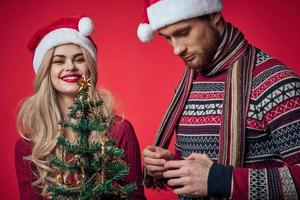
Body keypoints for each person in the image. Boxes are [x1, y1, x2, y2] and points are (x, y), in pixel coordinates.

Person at [137, 0, 300, 199]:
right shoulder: (187, 85)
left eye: (183, 33)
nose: (176, 49)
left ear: (213, 16)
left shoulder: (275, 83)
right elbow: (198, 178)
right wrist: (170, 165)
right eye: (167, 38)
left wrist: (219, 180)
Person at [15, 15, 146, 200]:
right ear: (45, 71)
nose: (70, 67)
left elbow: (135, 196)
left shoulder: (119, 131)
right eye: (59, 61)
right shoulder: (29, 147)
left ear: (90, 68)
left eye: (79, 59)